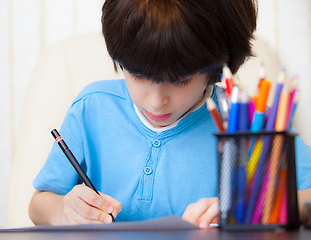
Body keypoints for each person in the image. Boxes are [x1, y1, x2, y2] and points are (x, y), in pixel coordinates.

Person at [29, 0, 311, 228]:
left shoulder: (248, 121)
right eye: (138, 74)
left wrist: (253, 210)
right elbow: (39, 204)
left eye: (179, 80)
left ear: (216, 66)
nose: (156, 101)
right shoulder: (92, 107)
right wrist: (63, 211)